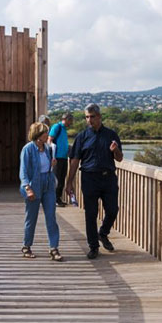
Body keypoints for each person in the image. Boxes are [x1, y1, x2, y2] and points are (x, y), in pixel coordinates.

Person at [65, 103, 123, 259]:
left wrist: (115, 150)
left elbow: (120, 158)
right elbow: (75, 161)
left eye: (92, 117)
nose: (89, 120)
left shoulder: (111, 135)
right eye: (87, 117)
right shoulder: (82, 137)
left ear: (99, 117)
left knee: (112, 210)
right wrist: (69, 182)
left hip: (108, 178)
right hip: (89, 178)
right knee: (91, 214)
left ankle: (103, 233)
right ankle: (93, 246)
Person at [19, 122, 62, 261]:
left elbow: (45, 167)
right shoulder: (28, 149)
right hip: (34, 185)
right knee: (31, 218)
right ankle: (26, 246)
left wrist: (52, 164)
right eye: (45, 132)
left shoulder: (48, 148)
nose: (47, 135)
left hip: (48, 185)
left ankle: (54, 248)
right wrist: (27, 188)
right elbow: (23, 171)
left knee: (51, 217)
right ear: (38, 134)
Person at [48, 112, 74, 207]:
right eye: (70, 121)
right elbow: (50, 139)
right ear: (66, 119)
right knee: (57, 179)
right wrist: (52, 155)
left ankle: (58, 199)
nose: (70, 123)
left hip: (64, 157)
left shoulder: (64, 129)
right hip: (57, 158)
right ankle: (54, 199)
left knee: (62, 179)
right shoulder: (57, 127)